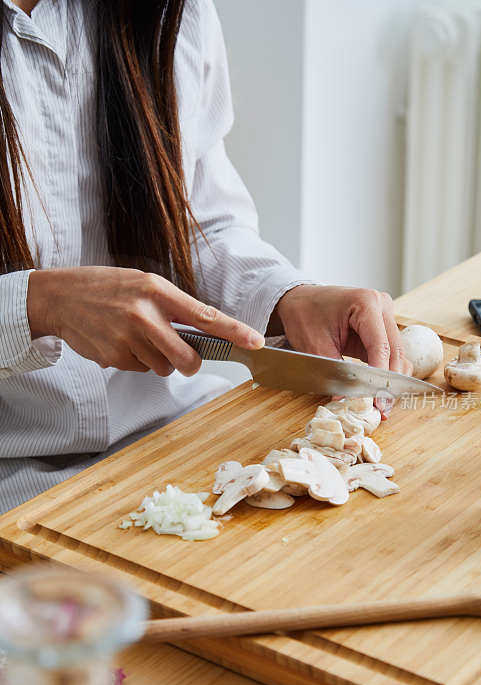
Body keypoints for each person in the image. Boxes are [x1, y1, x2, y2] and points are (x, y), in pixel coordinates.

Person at [0, 0, 411, 514]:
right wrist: (36, 305)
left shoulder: (171, 11)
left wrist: (287, 297)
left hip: (166, 431)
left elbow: (197, 218)